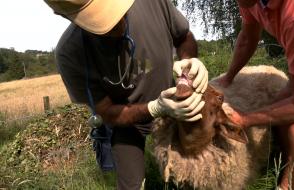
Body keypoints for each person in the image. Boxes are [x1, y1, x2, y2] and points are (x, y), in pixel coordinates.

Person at [43, 0, 208, 189]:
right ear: (67, 16)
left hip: (175, 107)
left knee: (190, 175)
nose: (118, 22)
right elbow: (106, 112)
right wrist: (155, 107)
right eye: (100, 22)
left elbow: (183, 36)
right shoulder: (71, 55)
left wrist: (189, 61)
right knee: (131, 185)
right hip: (127, 123)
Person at [217, 0, 294, 189]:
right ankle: (289, 172)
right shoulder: (249, 1)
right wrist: (228, 78)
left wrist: (244, 119)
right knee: (279, 106)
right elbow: (248, 38)